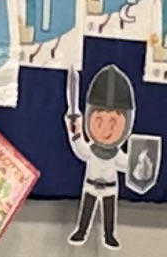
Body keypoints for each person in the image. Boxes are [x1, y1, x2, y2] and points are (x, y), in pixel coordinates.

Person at [65, 64, 153, 246]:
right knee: (87, 209)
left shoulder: (117, 156)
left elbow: (130, 167)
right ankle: (82, 231)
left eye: (114, 124)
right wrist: (75, 130)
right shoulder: (90, 151)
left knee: (109, 212)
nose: (106, 130)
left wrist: (142, 163)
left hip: (110, 189)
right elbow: (79, 149)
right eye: (99, 121)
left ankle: (109, 234)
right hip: (90, 186)